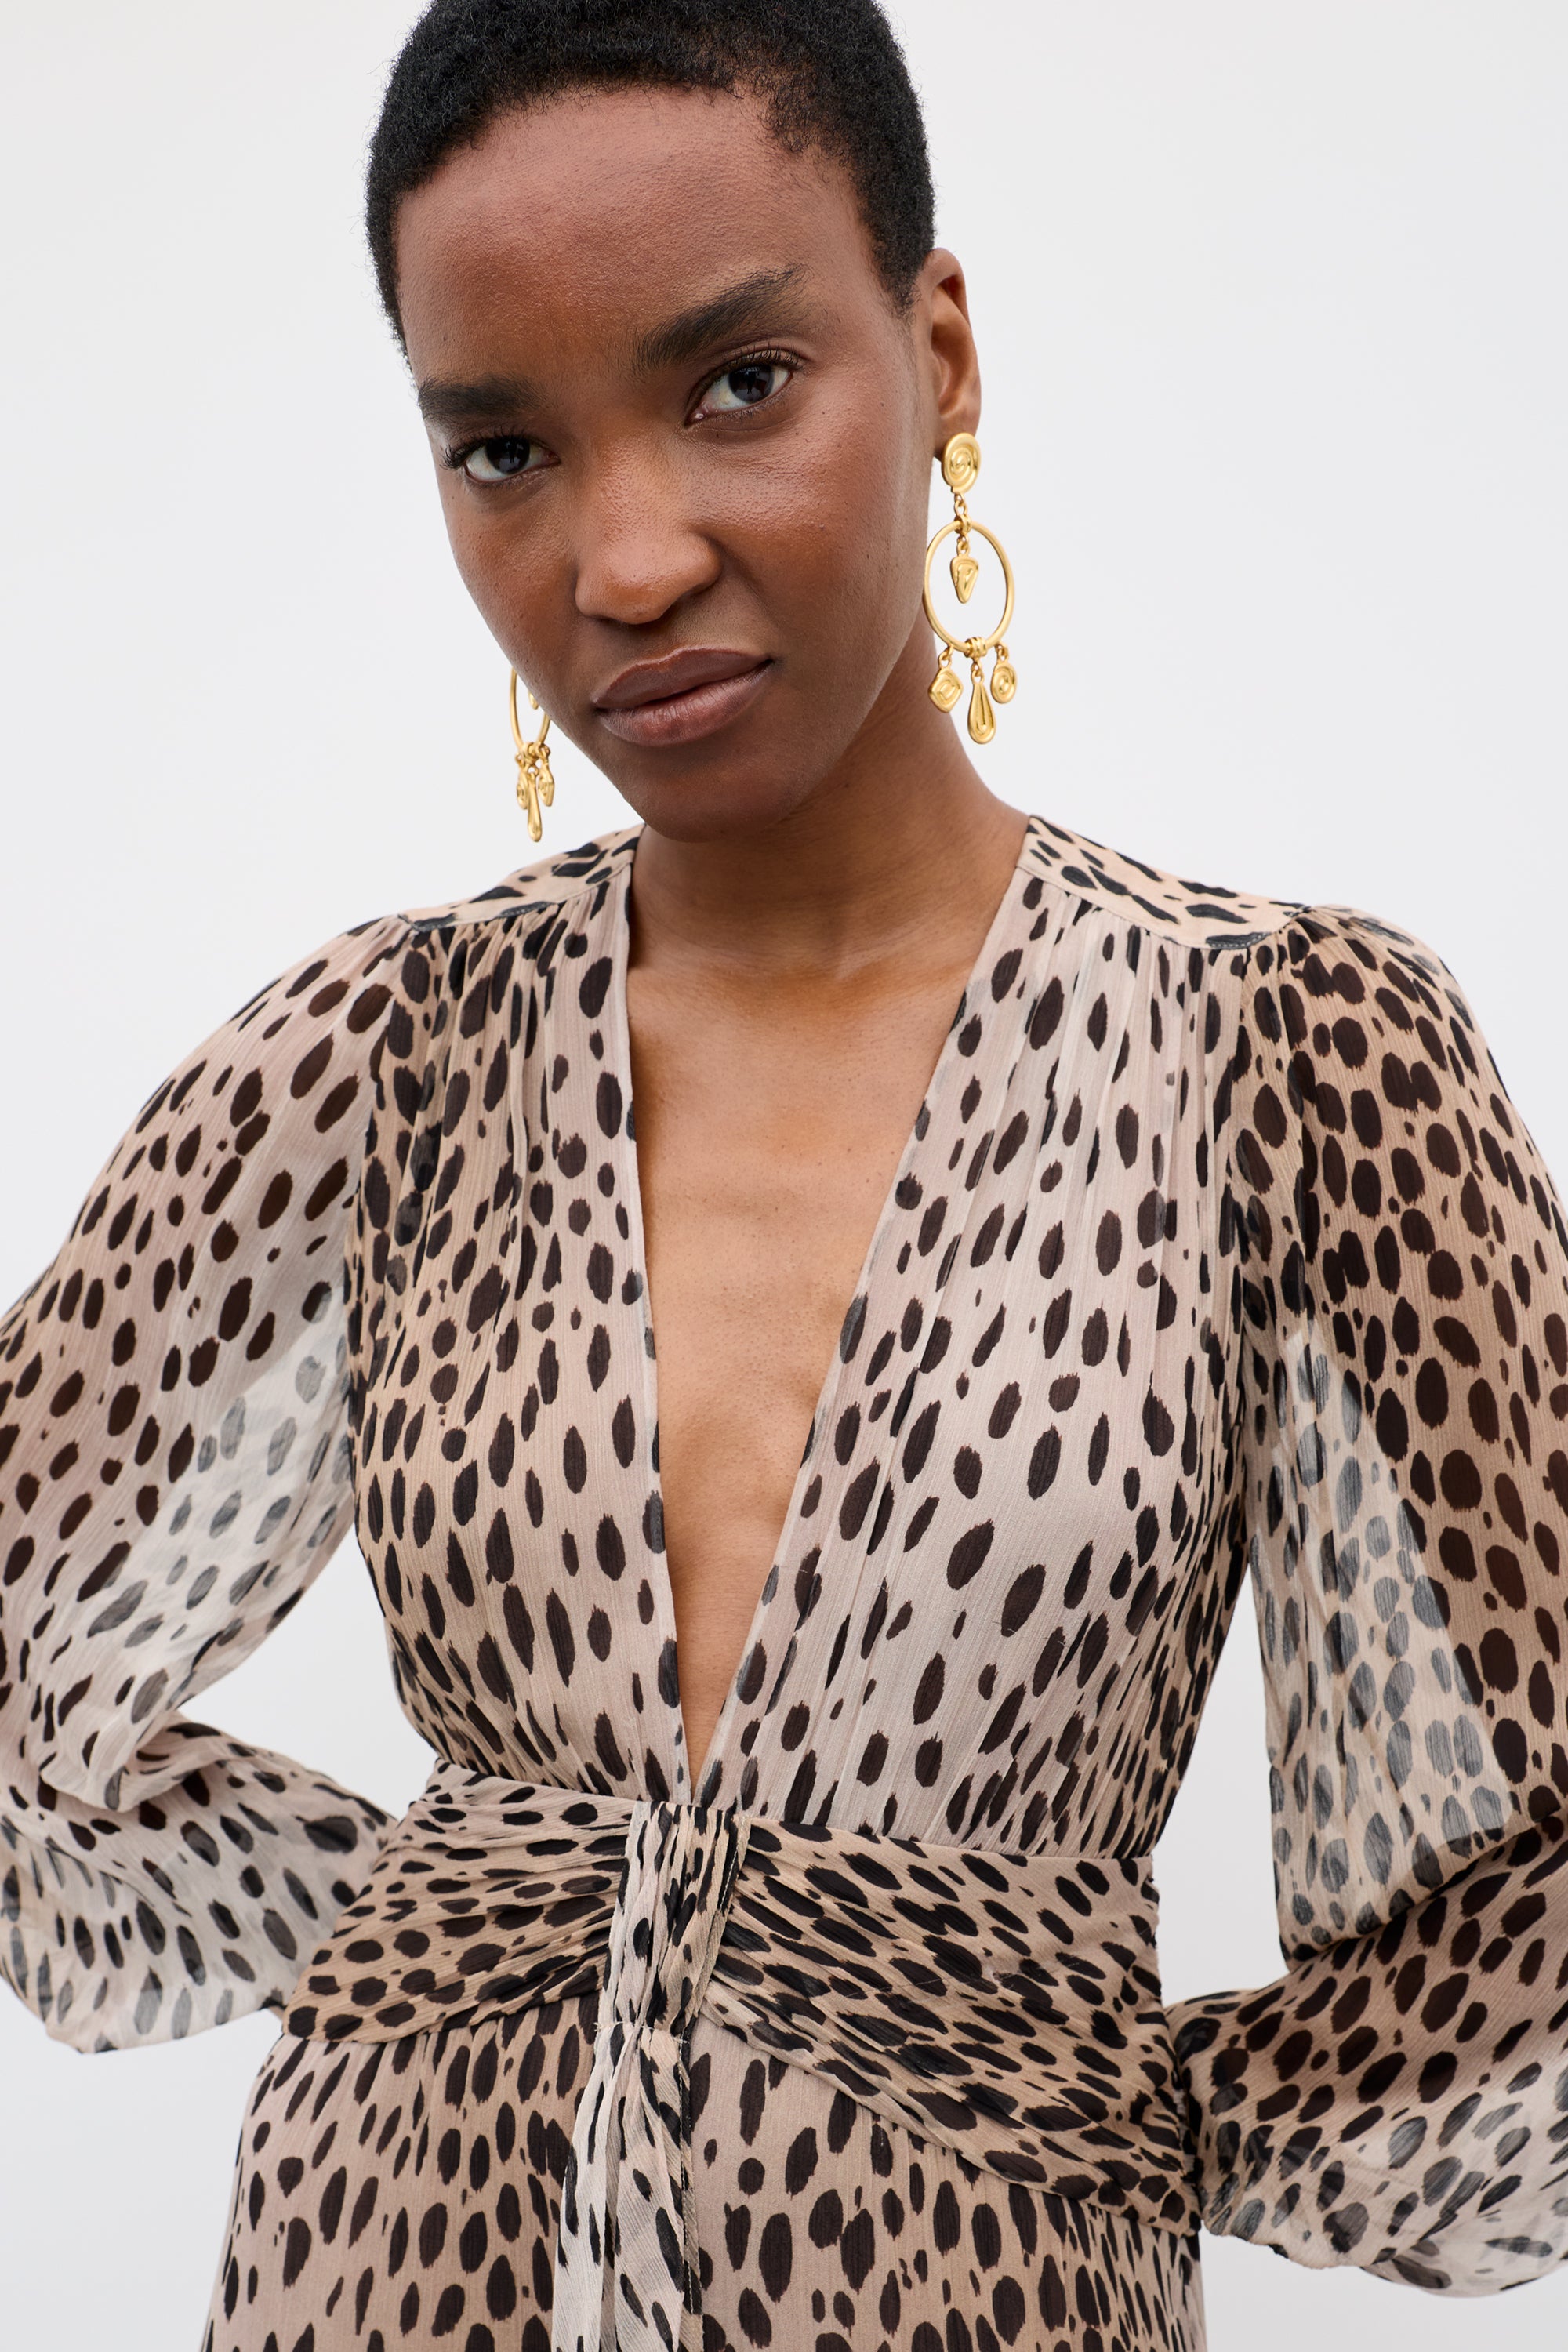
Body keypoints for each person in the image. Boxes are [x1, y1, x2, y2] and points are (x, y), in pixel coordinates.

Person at [3, 2, 1566, 2346]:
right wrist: (456, 1925)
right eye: (505, 449)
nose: (619, 559)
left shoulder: (1293, 1058)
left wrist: (1093, 2105)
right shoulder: (382, 1058)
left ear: (938, 349)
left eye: (737, 383)